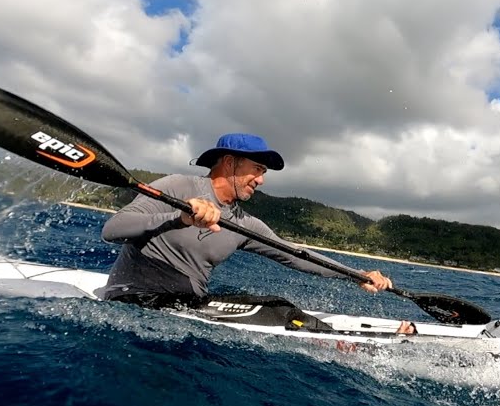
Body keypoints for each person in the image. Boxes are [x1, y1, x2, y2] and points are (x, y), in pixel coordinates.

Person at [97, 132, 416, 335]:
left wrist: (356, 275)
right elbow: (112, 230)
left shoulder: (244, 223)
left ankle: (341, 337)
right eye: (258, 169)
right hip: (133, 295)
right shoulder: (177, 187)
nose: (261, 180)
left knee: (280, 307)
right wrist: (180, 217)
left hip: (187, 305)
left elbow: (296, 256)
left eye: (263, 173)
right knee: (279, 312)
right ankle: (345, 343)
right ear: (229, 163)